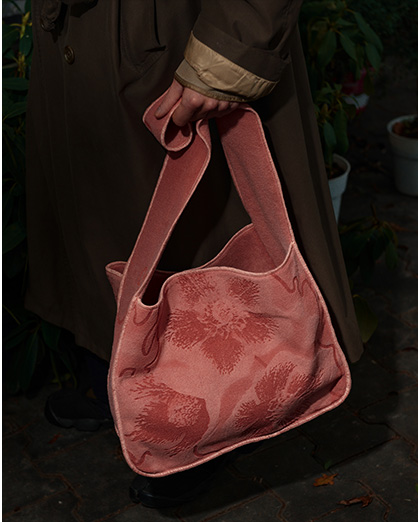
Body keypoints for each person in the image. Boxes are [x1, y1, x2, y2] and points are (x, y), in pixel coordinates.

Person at [26, 0, 363, 509]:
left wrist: (232, 46)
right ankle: (117, 388)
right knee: (100, 234)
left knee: (191, 240)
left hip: (176, 42)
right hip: (85, 42)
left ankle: (208, 432)